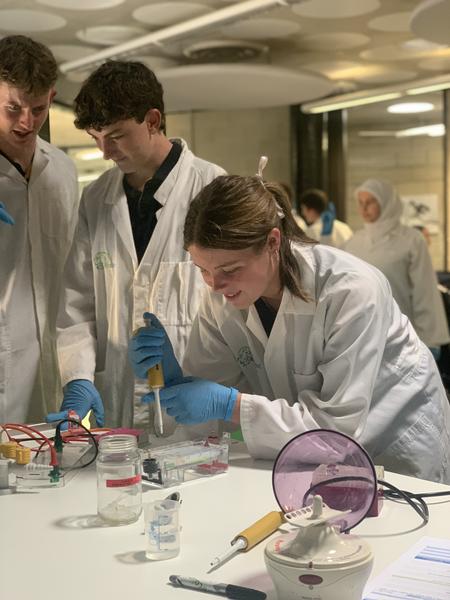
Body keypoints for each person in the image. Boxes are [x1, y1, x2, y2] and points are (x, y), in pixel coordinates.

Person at [129, 162, 450, 483]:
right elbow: (209, 418)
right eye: (203, 270)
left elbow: (335, 433)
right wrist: (177, 385)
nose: (214, 285)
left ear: (272, 242)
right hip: (310, 452)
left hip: (393, 440)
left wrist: (231, 405)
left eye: (230, 269)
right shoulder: (221, 299)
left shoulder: (350, 291)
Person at [50, 60, 225, 434]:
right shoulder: (95, 198)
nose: (105, 152)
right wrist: (78, 377)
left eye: (116, 136)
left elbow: (234, 307)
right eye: (96, 138)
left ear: (152, 120)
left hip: (192, 407)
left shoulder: (212, 188)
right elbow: (77, 306)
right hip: (119, 404)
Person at [0, 35, 79, 424]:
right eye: (13, 108)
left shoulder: (63, 171)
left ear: (52, 96)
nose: (26, 122)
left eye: (38, 108)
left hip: (54, 362)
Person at [345, 179, 449, 353]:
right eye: (360, 202)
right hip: (363, 336)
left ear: (386, 202)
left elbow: (424, 291)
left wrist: (430, 340)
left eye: (370, 202)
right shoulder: (353, 242)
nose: (364, 208)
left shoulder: (411, 239)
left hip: (403, 335)